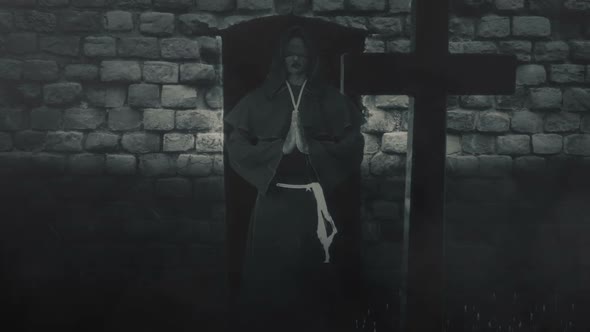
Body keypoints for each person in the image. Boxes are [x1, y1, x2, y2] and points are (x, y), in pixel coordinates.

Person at [224, 25, 365, 331]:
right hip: (273, 204)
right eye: (290, 54)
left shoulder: (329, 97)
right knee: (271, 283)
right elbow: (235, 146)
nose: (296, 60)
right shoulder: (260, 98)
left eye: (301, 54)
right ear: (281, 59)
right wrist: (279, 148)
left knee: (316, 283)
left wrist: (310, 146)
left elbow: (354, 144)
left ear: (311, 58)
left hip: (315, 201)